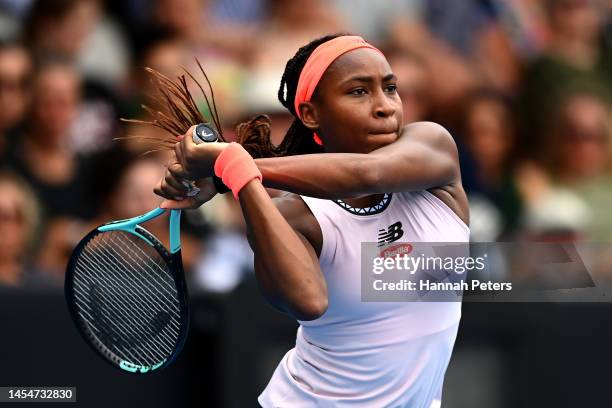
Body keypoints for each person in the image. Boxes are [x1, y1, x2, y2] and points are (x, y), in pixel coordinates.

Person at [154, 34, 469, 407]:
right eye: (358, 92)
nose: (385, 106)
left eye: (390, 88)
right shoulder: (296, 215)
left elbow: (368, 173)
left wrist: (229, 167)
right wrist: (240, 180)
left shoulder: (434, 148)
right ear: (310, 114)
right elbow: (308, 301)